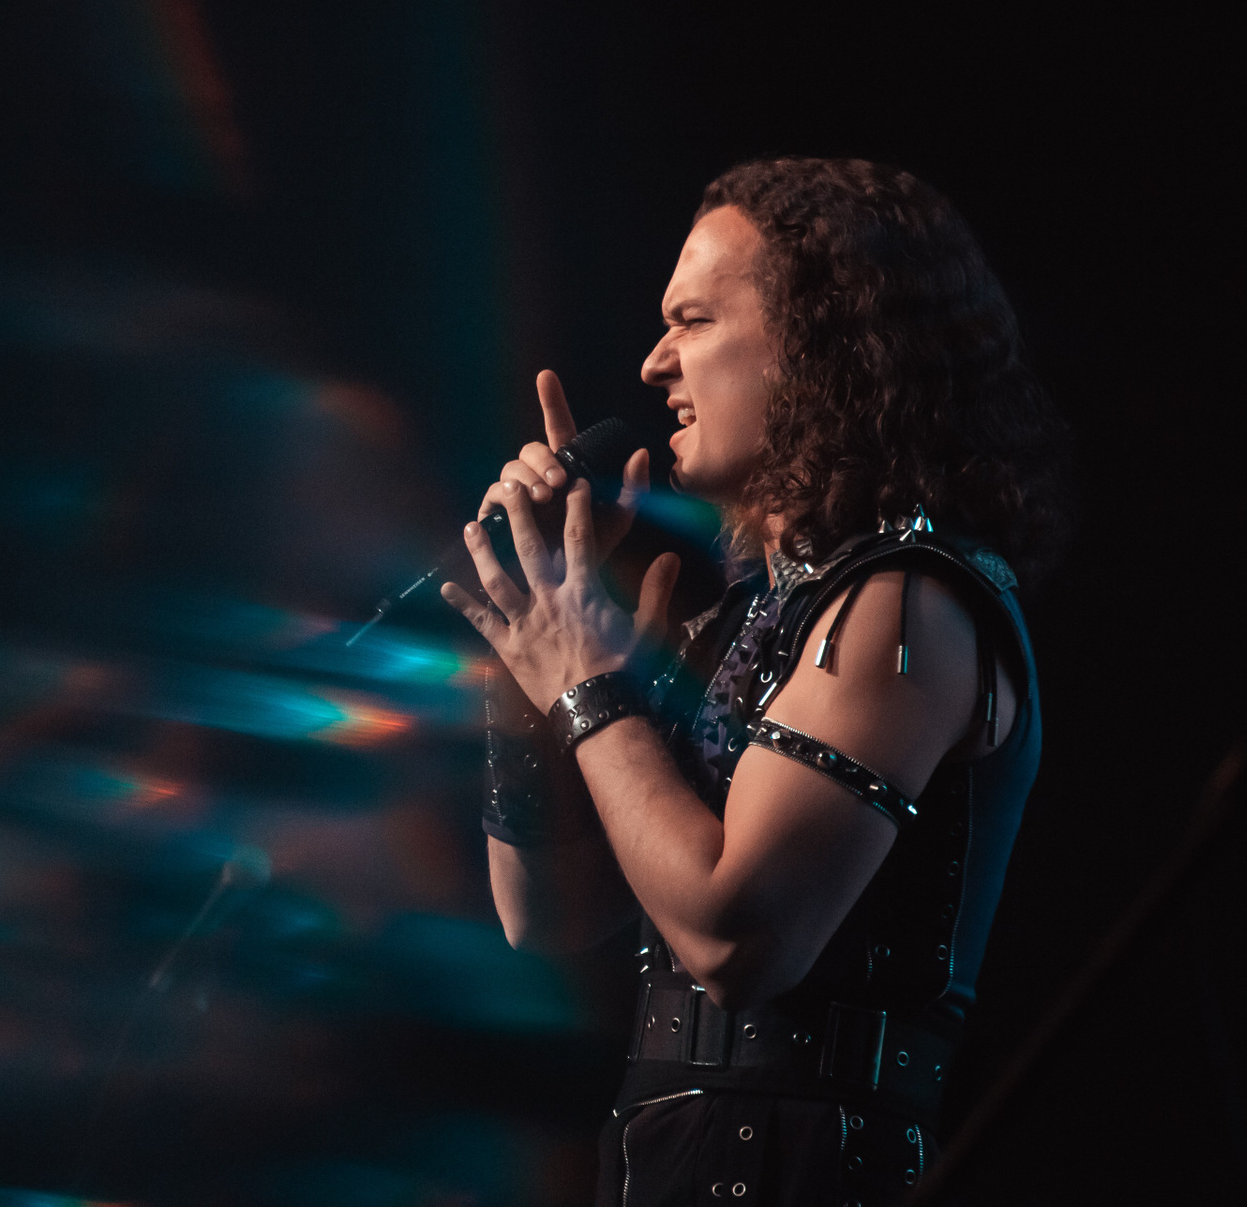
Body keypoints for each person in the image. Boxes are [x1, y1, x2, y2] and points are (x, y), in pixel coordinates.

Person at [441, 158, 1071, 1206]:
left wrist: (587, 678)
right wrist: (537, 651)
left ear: (823, 346)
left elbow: (736, 937)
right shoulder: (748, 618)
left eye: (692, 321)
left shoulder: (907, 604)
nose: (654, 364)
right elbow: (545, 915)